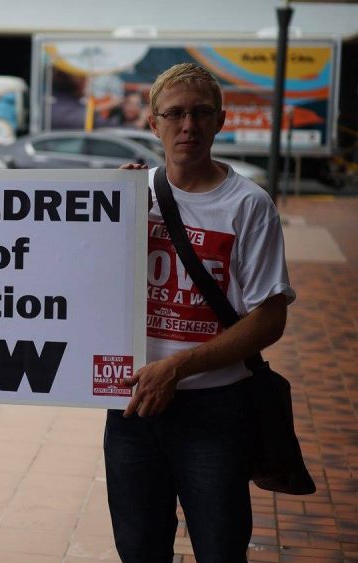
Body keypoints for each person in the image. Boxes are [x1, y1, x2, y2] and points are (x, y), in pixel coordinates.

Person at [105, 63, 294, 562]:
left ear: (220, 121)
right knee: (139, 548)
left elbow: (270, 318)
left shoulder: (248, 204)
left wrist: (180, 367)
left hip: (216, 408)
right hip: (131, 405)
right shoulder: (125, 194)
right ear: (153, 123)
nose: (188, 125)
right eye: (175, 114)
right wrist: (106, 216)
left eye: (201, 113)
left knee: (219, 547)